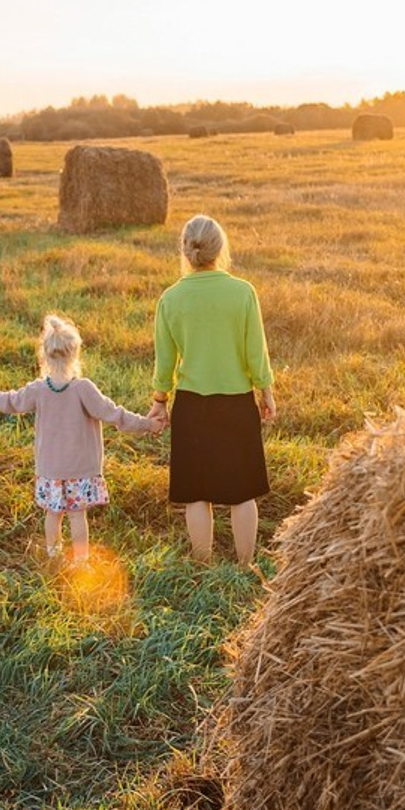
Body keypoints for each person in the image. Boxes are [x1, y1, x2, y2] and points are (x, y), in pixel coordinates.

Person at [150, 214, 275, 566]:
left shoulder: (171, 299)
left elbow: (165, 363)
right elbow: (256, 352)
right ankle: (245, 563)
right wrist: (266, 392)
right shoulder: (243, 292)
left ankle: (202, 562)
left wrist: (160, 401)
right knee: (242, 492)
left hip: (192, 406)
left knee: (196, 494)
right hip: (236, 404)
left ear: (186, 251)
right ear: (221, 249)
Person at [0, 314, 159, 564]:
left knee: (52, 514)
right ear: (75, 354)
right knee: (77, 516)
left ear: (44, 355)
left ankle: (54, 555)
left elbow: (12, 401)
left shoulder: (39, 389)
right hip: (80, 468)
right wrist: (148, 424)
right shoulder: (83, 388)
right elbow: (114, 414)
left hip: (50, 469)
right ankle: (80, 560)